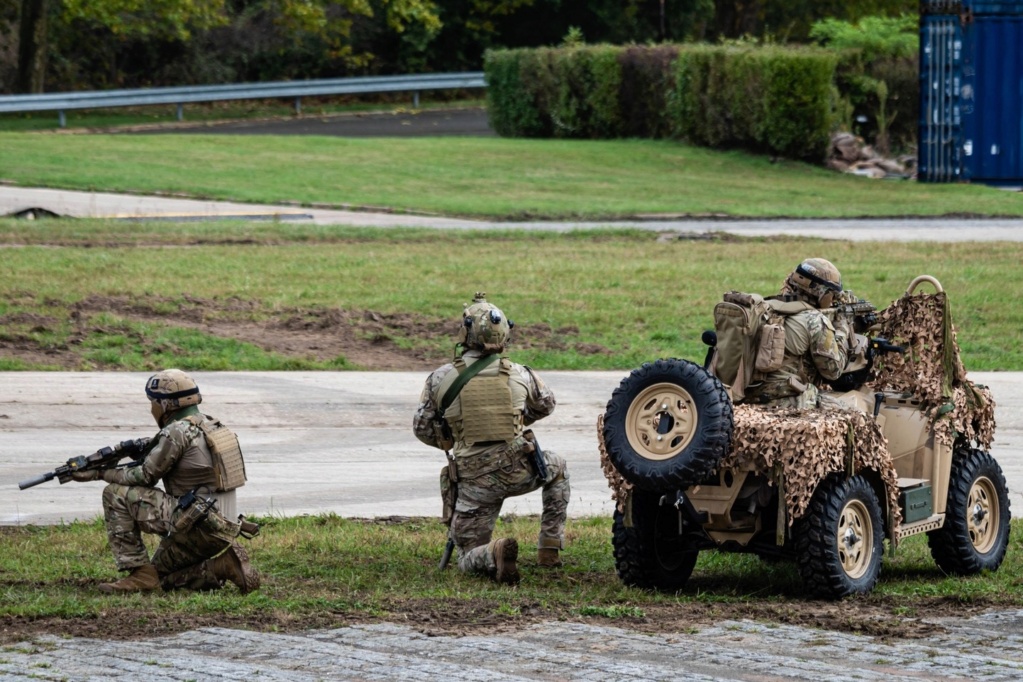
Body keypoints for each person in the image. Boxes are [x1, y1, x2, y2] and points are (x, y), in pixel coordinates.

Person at [413, 293, 570, 584]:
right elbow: (546, 404)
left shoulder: (440, 378)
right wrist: (516, 421)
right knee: (557, 467)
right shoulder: (521, 373)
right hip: (520, 470)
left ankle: (492, 552)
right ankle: (549, 547)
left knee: (466, 556)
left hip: (474, 483)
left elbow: (422, 428)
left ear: (465, 332)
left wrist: (455, 440)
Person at [71, 369, 260, 594]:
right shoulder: (212, 425)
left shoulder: (177, 432)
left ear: (165, 405)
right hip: (222, 528)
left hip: (197, 525)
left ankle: (137, 572)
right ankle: (222, 566)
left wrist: (99, 473)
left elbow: (145, 476)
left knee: (114, 494)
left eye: (153, 402)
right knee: (159, 578)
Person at [743, 258, 856, 408]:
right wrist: (842, 328)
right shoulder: (815, 321)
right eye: (832, 294)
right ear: (822, 292)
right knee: (854, 412)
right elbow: (833, 371)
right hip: (783, 401)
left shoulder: (766, 308)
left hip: (746, 395)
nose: (834, 299)